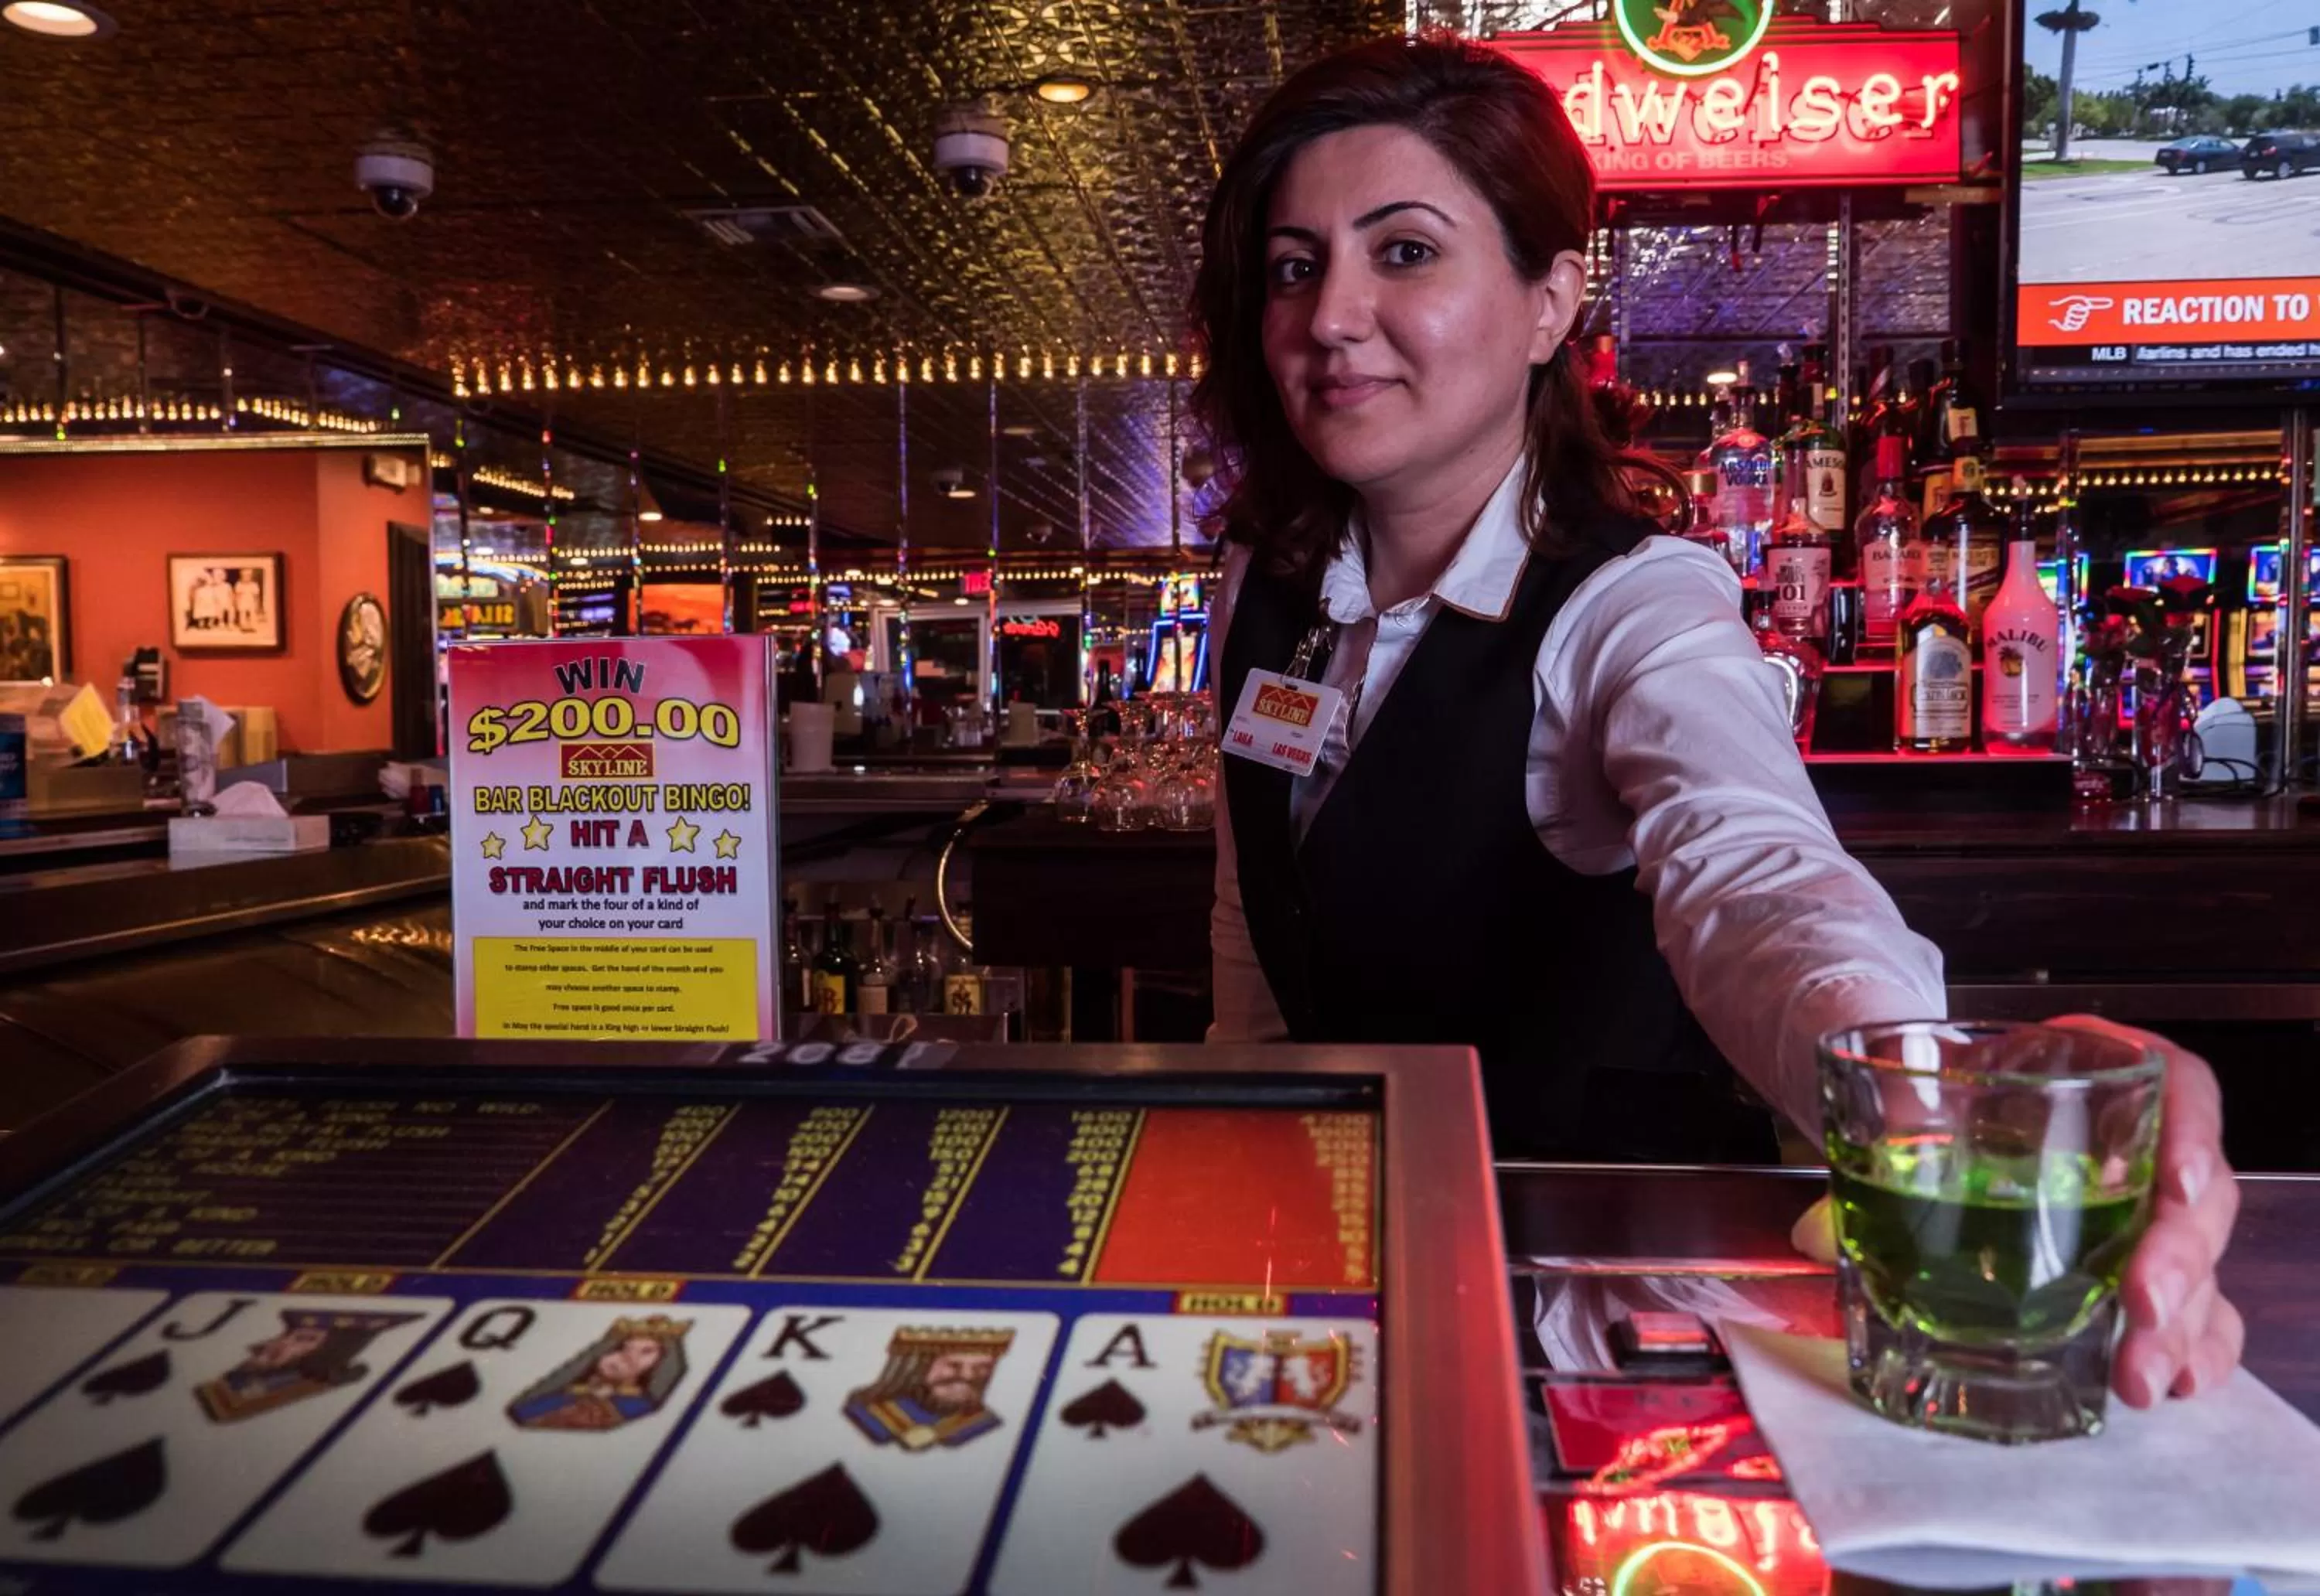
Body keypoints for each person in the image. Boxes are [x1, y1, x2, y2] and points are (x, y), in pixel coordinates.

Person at [1195, 36, 2239, 1410]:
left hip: (1583, 1313)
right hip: (1337, 1281)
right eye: (1292, 264)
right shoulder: (1263, 585)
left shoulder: (1635, 603)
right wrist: (1242, 1181)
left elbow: (1756, 871)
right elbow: (1257, 936)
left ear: (1551, 298)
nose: (1330, 315)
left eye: (1403, 254)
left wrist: (1919, 1096)